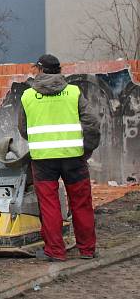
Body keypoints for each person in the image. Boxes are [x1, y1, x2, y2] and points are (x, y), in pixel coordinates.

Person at [18, 54, 100, 262]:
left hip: (43, 160)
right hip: (74, 159)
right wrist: (87, 148)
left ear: (41, 70)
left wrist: (41, 140)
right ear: (59, 71)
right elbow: (92, 123)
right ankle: (87, 250)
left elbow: (23, 129)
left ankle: (55, 251)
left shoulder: (28, 96)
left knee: (49, 204)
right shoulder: (73, 92)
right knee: (81, 203)